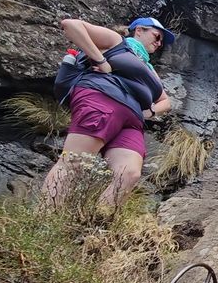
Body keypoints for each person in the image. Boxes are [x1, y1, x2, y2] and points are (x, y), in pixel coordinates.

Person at [44, 17, 175, 211]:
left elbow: (166, 101)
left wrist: (150, 112)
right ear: (139, 30)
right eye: (157, 36)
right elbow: (71, 25)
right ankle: (45, 221)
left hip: (132, 120)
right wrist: (101, 61)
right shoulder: (117, 43)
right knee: (75, 162)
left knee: (129, 173)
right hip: (103, 98)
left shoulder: (149, 68)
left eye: (161, 41)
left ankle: (96, 224)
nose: (159, 43)